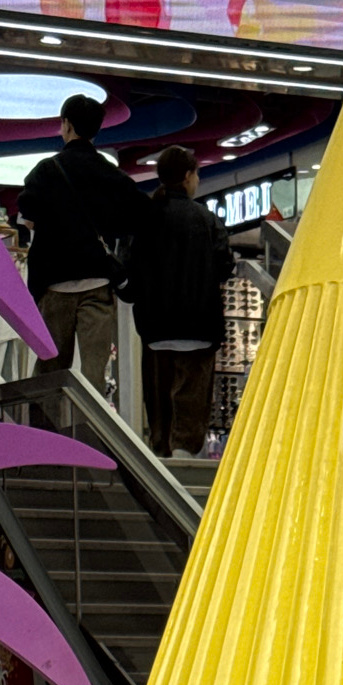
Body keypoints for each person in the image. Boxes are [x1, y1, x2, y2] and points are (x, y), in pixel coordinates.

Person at [17, 93, 149, 396]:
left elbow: (27, 217)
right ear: (96, 129)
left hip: (54, 285)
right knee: (94, 376)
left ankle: (46, 426)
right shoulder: (110, 174)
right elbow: (139, 215)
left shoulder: (46, 171)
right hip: (98, 284)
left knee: (50, 374)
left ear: (66, 125)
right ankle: (91, 425)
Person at [126, 145, 232, 460]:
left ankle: (161, 456)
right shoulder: (207, 220)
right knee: (192, 399)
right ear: (187, 176)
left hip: (156, 329)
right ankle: (184, 456)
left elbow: (130, 270)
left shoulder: (145, 219)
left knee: (160, 400)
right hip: (200, 327)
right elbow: (224, 266)